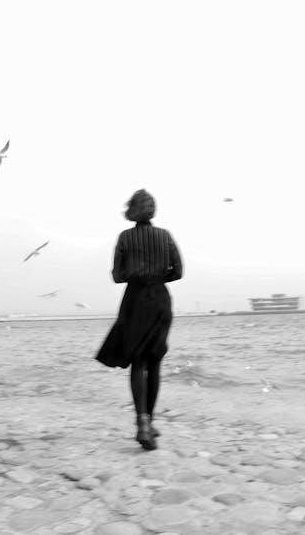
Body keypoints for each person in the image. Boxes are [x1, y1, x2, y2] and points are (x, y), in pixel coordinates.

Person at [95, 189, 183, 451]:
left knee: (138, 362)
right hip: (160, 300)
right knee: (154, 363)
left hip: (135, 300)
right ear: (153, 210)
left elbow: (117, 276)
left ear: (131, 211)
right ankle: (150, 422)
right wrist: (157, 277)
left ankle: (142, 421)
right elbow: (178, 272)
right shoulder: (165, 236)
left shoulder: (125, 237)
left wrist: (136, 274)